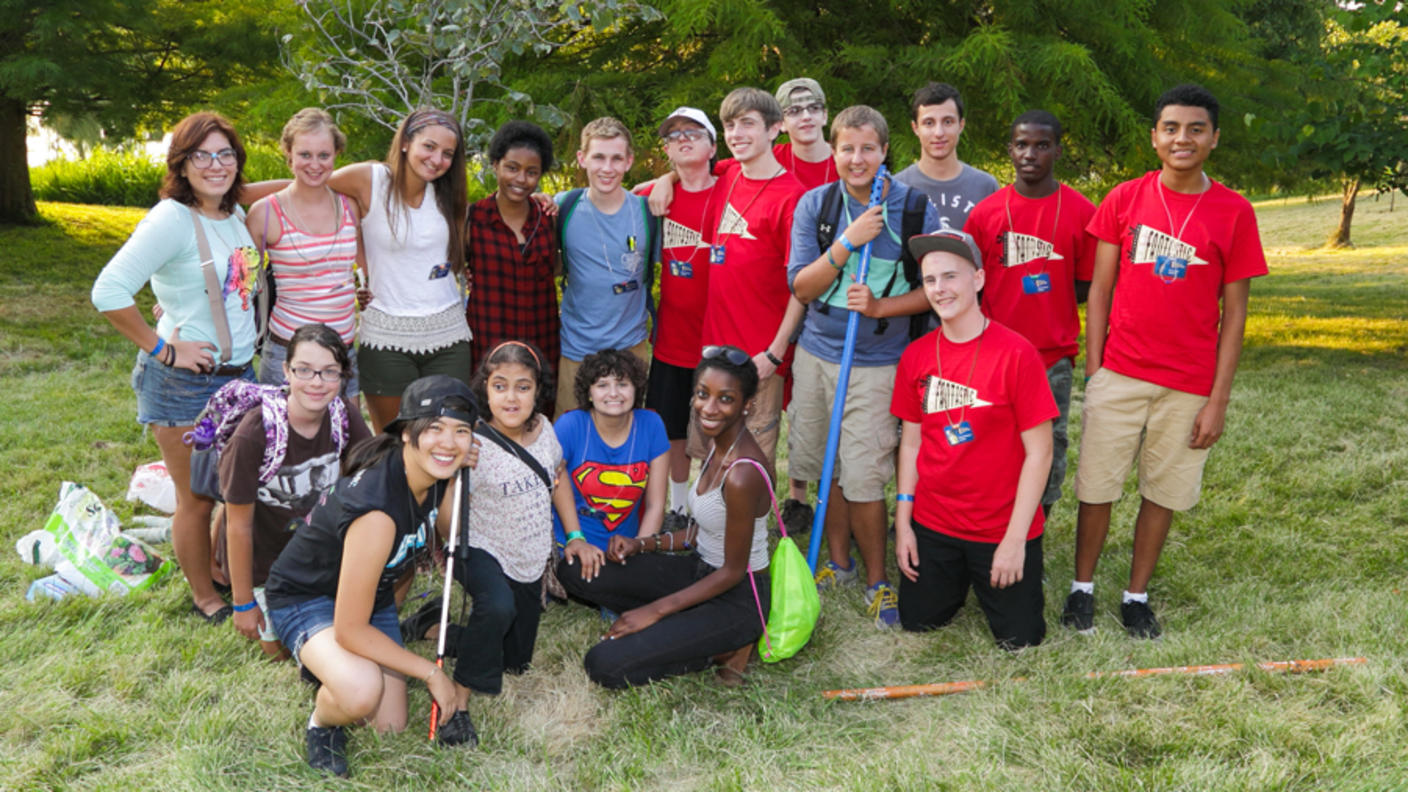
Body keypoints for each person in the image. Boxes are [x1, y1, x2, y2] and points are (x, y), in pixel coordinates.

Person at [1062, 84, 1267, 639]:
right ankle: (1082, 589)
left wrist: (1216, 399)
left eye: (1196, 129)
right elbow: (1100, 290)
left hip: (1187, 385)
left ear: (1214, 138)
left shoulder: (1234, 212)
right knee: (1096, 486)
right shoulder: (1124, 199)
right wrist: (1097, 367)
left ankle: (1136, 595)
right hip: (1120, 374)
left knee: (1163, 490)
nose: (1183, 138)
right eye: (1171, 128)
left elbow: (1235, 316)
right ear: (1154, 137)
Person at [263, 375, 481, 776]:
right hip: (306, 599)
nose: (448, 442)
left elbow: (448, 532)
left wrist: (455, 476)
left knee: (390, 727)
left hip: (369, 597)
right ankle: (321, 724)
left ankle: (327, 663)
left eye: (461, 431)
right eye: (434, 428)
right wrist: (431, 672)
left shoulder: (430, 474)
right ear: (406, 434)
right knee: (360, 693)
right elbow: (349, 628)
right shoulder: (378, 512)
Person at [92, 111, 262, 624]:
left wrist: (315, 175)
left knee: (234, 490)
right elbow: (107, 291)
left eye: (225, 154)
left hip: (240, 378)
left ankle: (219, 570)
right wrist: (165, 348)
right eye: (201, 155)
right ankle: (205, 596)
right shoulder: (171, 219)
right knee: (196, 498)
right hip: (183, 384)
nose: (216, 165)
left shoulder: (231, 215)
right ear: (181, 165)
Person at [787, 105, 941, 629]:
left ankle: (878, 581)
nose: (857, 159)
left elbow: (933, 290)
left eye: (868, 149)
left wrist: (879, 307)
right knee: (825, 466)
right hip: (816, 354)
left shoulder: (914, 208)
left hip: (876, 363)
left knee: (864, 475)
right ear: (833, 153)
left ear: (884, 152)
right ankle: (839, 563)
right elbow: (801, 287)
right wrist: (847, 243)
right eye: (847, 149)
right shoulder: (816, 205)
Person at [560, 345, 775, 688]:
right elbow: (699, 532)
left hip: (737, 597)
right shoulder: (718, 444)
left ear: (747, 405)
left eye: (725, 399)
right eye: (703, 394)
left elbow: (734, 572)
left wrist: (655, 611)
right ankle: (690, 625)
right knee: (575, 569)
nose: (709, 407)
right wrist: (642, 544)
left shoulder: (742, 473)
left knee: (604, 664)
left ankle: (726, 649)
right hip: (700, 570)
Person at [891, 230, 1056, 650]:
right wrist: (904, 521)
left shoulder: (1017, 354)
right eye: (930, 280)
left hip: (999, 527)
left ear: (979, 279)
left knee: (1021, 640)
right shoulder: (917, 356)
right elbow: (910, 443)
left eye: (950, 276)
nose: (940, 289)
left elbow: (1040, 453)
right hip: (935, 522)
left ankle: (999, 569)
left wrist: (1016, 540)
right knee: (917, 623)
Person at [963, 110, 1097, 518]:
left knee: (1049, 442)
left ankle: (1038, 520)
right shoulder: (986, 214)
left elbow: (1086, 284)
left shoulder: (1081, 211)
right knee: (992, 441)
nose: (1031, 154)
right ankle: (991, 518)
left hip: (1052, 356)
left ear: (1058, 149)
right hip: (993, 353)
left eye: (1042, 145)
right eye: (1022, 145)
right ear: (1010, 150)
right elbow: (971, 286)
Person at [450, 341, 603, 698]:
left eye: (523, 387)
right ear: (485, 389)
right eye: (499, 386)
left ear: (539, 391)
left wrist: (575, 534)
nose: (511, 398)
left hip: (529, 554)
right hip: (480, 548)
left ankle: (429, 623)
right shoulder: (470, 442)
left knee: (515, 660)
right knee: (497, 607)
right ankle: (460, 696)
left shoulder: (545, 430)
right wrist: (457, 468)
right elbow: (448, 521)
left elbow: (558, 479)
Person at [213, 324, 372, 656]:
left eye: (330, 372)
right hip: (264, 564)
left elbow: (378, 475)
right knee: (281, 652)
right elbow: (239, 523)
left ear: (344, 376)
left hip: (318, 556)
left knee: (344, 636)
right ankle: (217, 565)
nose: (317, 382)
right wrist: (243, 603)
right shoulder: (255, 433)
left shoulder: (345, 417)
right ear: (286, 371)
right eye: (304, 370)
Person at [321, 108, 471, 431]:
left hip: (448, 334)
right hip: (387, 336)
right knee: (393, 441)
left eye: (447, 153)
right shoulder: (371, 179)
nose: (437, 159)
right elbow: (307, 186)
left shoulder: (449, 192)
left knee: (448, 435)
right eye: (428, 146)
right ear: (405, 142)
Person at [695, 87, 807, 465]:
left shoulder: (793, 198)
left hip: (759, 354)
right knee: (711, 454)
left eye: (748, 124)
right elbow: (680, 177)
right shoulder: (726, 175)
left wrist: (774, 354)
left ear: (775, 129)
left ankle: (754, 527)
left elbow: (802, 288)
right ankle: (709, 524)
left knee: (750, 459)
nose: (736, 134)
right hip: (714, 349)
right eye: (729, 125)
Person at [245, 108, 363, 401]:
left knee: (345, 441)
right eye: (305, 155)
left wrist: (364, 287)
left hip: (342, 352)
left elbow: (362, 267)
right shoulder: (265, 213)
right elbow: (238, 284)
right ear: (288, 154)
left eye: (324, 155)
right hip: (289, 353)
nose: (315, 164)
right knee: (283, 442)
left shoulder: (350, 207)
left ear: (336, 155)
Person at [638, 107, 718, 520]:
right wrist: (665, 181)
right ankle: (681, 505)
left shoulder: (732, 187)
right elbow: (607, 193)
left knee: (716, 427)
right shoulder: (651, 199)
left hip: (721, 338)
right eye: (672, 136)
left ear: (712, 144)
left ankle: (715, 504)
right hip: (672, 336)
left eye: (693, 132)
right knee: (671, 429)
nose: (682, 139)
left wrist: (665, 179)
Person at [555, 117, 656, 416]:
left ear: (629, 161)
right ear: (582, 158)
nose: (607, 168)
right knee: (569, 440)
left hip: (631, 347)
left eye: (616, 158)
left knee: (628, 443)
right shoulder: (563, 206)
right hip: (576, 348)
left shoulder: (647, 210)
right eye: (598, 157)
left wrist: (669, 179)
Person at [465, 121, 561, 375]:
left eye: (531, 172)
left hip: (542, 344)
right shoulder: (472, 219)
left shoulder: (548, 217)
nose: (521, 179)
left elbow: (558, 268)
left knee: (540, 412)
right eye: (512, 168)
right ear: (495, 164)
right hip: (489, 344)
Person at [554, 349, 670, 555]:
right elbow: (554, 483)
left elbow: (655, 505)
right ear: (589, 393)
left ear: (636, 388)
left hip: (627, 548)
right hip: (572, 545)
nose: (614, 393)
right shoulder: (570, 425)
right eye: (602, 385)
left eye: (623, 384)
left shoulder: (651, 425)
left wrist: (639, 548)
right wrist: (576, 540)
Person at [894, 82, 998, 231]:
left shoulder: (986, 187)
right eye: (929, 123)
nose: (938, 133)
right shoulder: (898, 188)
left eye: (948, 122)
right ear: (915, 128)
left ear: (961, 125)